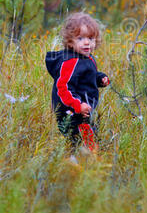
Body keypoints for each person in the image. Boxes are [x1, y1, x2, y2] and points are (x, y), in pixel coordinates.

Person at [45, 12, 110, 152]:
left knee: (88, 137)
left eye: (91, 38)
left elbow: (86, 77)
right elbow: (63, 87)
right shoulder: (70, 62)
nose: (87, 42)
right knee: (84, 143)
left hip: (85, 110)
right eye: (80, 38)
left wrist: (100, 78)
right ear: (70, 41)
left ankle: (82, 160)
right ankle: (85, 164)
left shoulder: (87, 58)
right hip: (72, 112)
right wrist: (77, 105)